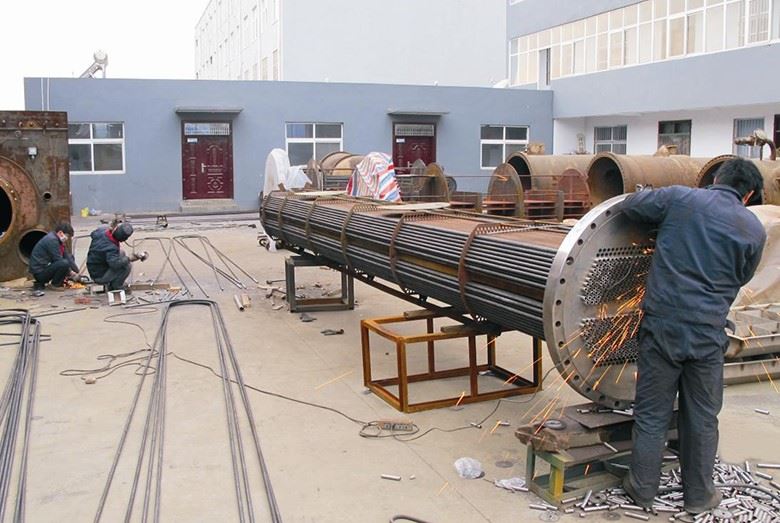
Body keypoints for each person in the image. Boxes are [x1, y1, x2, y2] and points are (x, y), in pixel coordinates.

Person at [620, 158, 766, 514]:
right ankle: (699, 496)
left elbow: (629, 206)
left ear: (715, 179)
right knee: (702, 417)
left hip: (664, 327)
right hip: (708, 333)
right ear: (748, 194)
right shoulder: (753, 228)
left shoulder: (680, 198)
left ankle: (642, 489)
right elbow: (743, 276)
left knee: (652, 413)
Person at [86, 221, 141, 291]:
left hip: (93, 268)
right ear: (123, 239)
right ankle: (116, 286)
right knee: (127, 266)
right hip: (99, 276)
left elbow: (93, 233)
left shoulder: (101, 232)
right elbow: (115, 265)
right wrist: (129, 258)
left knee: (121, 253)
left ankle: (114, 282)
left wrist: (110, 227)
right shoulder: (111, 248)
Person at [28, 223, 79, 292]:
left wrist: (76, 271)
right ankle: (55, 284)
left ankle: (62, 280)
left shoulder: (57, 240)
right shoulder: (52, 240)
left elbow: (66, 256)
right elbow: (58, 259)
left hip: (46, 268)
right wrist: (71, 273)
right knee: (64, 263)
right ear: (60, 233)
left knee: (69, 258)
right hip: (40, 273)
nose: (67, 238)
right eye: (67, 236)